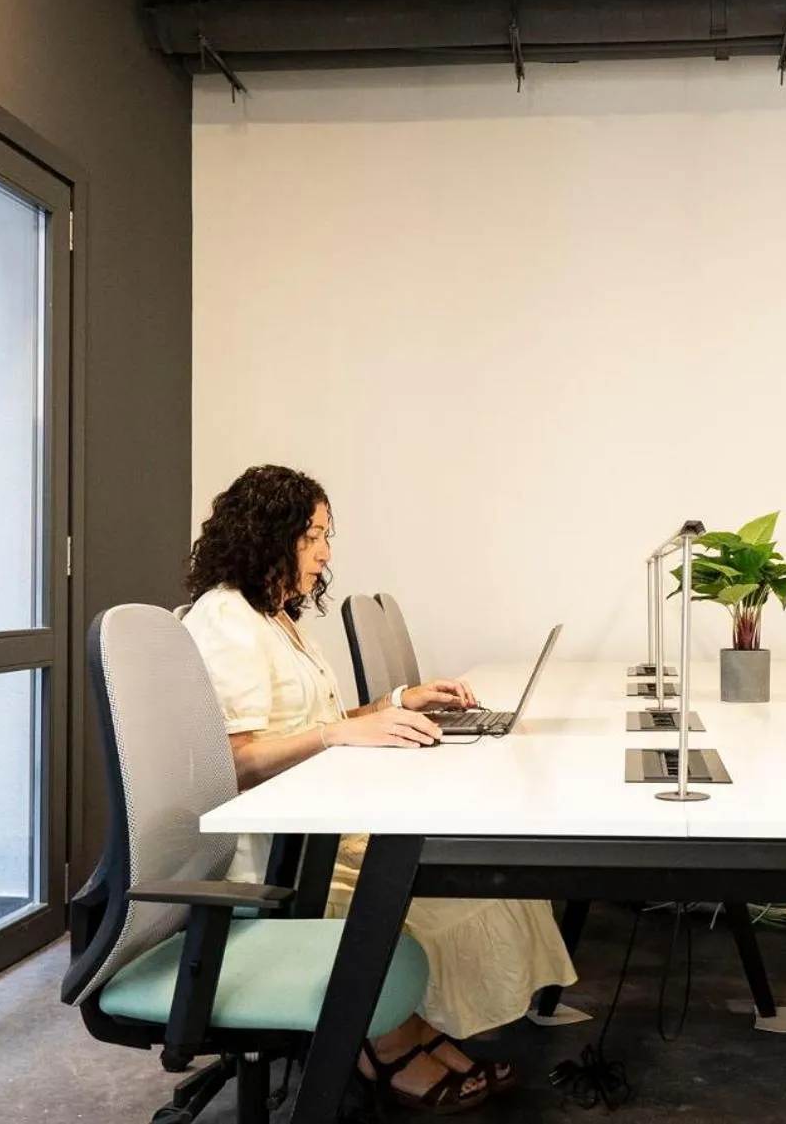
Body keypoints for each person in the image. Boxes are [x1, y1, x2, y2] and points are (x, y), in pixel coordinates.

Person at [180, 464, 576, 1113]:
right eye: (313, 536)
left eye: (326, 536)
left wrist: (398, 701)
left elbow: (322, 726)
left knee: (488, 881)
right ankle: (382, 1037)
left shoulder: (273, 618)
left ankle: (408, 1025)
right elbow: (238, 759)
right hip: (280, 850)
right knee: (451, 890)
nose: (325, 552)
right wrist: (337, 738)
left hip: (316, 821)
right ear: (268, 532)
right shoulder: (226, 619)